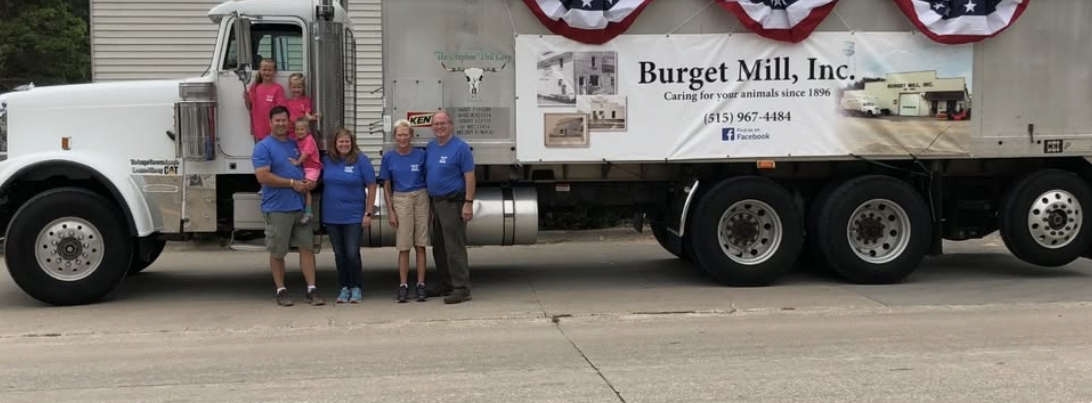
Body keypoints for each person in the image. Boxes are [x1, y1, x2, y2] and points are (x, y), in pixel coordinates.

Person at [252, 105, 323, 307]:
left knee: (307, 249)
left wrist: (312, 183)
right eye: (278, 121)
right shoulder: (263, 147)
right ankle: (281, 290)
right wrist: (292, 183)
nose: (282, 124)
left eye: (284, 120)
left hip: (300, 207)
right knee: (278, 251)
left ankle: (312, 289)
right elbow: (263, 176)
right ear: (270, 122)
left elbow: (309, 167)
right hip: (277, 207)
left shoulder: (296, 144)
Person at [423, 111, 476, 304]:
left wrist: (468, 204)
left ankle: (462, 288)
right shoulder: (431, 147)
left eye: (443, 123)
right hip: (436, 203)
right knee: (439, 246)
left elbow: (469, 177)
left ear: (451, 125)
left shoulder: (460, 148)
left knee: (454, 248)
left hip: (454, 203)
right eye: (436, 124)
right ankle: (445, 283)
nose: (439, 127)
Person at [322, 127, 377, 304]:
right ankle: (344, 287)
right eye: (341, 141)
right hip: (331, 216)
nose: (344, 144)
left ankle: (356, 287)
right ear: (335, 144)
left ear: (352, 143)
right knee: (339, 254)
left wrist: (368, 213)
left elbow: (372, 186)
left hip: (354, 215)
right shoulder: (327, 161)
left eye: (347, 141)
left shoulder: (361, 160)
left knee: (352, 253)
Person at [379, 119, 430, 303]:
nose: (402, 138)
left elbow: (428, 179)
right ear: (394, 136)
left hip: (421, 197)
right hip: (401, 198)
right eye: (399, 135)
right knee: (404, 245)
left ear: (411, 136)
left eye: (406, 134)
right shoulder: (389, 157)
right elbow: (386, 185)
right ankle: (403, 285)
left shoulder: (421, 155)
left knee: (421, 244)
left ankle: (421, 284)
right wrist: (391, 210)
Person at [288, 117, 322, 223]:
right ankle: (303, 210)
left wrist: (297, 162)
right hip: (306, 168)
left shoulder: (309, 140)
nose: (299, 131)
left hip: (313, 168)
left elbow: (306, 154)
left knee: (305, 188)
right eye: (297, 129)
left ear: (308, 130)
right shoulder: (299, 140)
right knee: (301, 188)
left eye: (302, 129)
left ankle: (308, 212)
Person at [244, 59, 287, 142]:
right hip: (259, 130)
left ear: (274, 71)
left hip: (274, 132)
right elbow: (249, 107)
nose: (267, 72)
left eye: (270, 70)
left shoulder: (278, 88)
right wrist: (246, 98)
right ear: (260, 70)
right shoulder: (254, 88)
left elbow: (281, 111)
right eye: (264, 70)